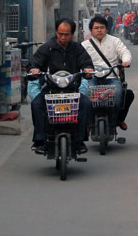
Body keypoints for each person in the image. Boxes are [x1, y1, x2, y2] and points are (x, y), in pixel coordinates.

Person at [27, 18, 94, 154]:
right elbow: (35, 62)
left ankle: (80, 140)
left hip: (72, 91)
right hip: (50, 92)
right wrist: (34, 69)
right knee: (36, 104)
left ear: (72, 34)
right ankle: (39, 140)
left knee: (86, 104)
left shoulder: (77, 48)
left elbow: (86, 63)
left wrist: (87, 70)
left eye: (66, 34)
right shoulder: (47, 48)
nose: (62, 37)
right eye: (60, 34)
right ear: (56, 32)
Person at [81, 15, 135, 130]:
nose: (99, 30)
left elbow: (124, 52)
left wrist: (126, 61)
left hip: (111, 77)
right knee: (83, 95)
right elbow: (77, 59)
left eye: (102, 27)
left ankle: (117, 120)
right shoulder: (84, 45)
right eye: (96, 28)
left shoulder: (115, 41)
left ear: (106, 29)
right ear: (91, 30)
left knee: (120, 94)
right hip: (92, 78)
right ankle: (88, 122)